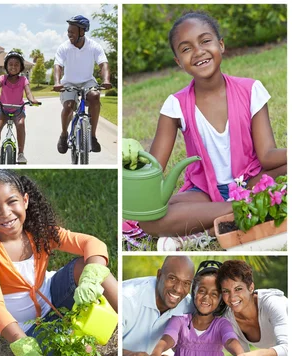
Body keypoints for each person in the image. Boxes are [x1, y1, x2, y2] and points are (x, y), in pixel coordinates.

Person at [122, 11, 287, 250]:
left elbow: (267, 155)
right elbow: (154, 169)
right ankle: (249, 210)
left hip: (252, 181)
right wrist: (133, 158)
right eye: (186, 48)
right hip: (204, 194)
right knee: (149, 220)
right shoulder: (175, 105)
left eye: (205, 41)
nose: (198, 51)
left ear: (221, 45)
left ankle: (207, 228)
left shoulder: (251, 89)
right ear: (178, 61)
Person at [0, 169, 118, 356]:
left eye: (12, 202)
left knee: (89, 266)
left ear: (26, 200)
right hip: (29, 329)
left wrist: (91, 276)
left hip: (54, 295)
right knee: (77, 354)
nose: (6, 213)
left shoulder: (39, 231)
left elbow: (91, 243)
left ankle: (127, 323)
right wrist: (26, 348)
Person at [143, 261, 252, 356]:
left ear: (220, 300)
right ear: (193, 292)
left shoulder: (221, 324)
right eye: (202, 291)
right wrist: (156, 353)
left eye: (214, 294)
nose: (206, 297)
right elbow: (168, 337)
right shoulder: (180, 320)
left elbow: (230, 340)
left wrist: (240, 355)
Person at [122, 256, 195, 356]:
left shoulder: (188, 306)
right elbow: (102, 344)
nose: (178, 289)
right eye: (172, 278)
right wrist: (128, 354)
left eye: (186, 283)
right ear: (159, 275)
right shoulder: (128, 298)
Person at [217, 260, 288, 356]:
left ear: (250, 288)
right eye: (226, 291)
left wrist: (260, 353)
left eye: (238, 289)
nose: (232, 297)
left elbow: (286, 347)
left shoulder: (272, 303)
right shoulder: (228, 319)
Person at [53, 15, 112, 155]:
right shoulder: (64, 47)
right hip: (69, 82)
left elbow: (103, 64)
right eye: (68, 31)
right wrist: (57, 82)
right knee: (68, 106)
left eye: (72, 32)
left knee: (95, 96)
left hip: (87, 81)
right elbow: (57, 66)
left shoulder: (94, 46)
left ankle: (92, 137)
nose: (69, 35)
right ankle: (63, 135)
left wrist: (106, 80)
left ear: (82, 32)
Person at [0, 51, 40, 164]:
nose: (13, 67)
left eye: (16, 64)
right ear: (6, 66)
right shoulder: (2, 78)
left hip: (18, 110)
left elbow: (28, 93)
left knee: (20, 125)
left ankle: (21, 154)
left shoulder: (23, 80)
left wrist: (32, 100)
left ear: (21, 67)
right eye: (11, 64)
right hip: (3, 109)